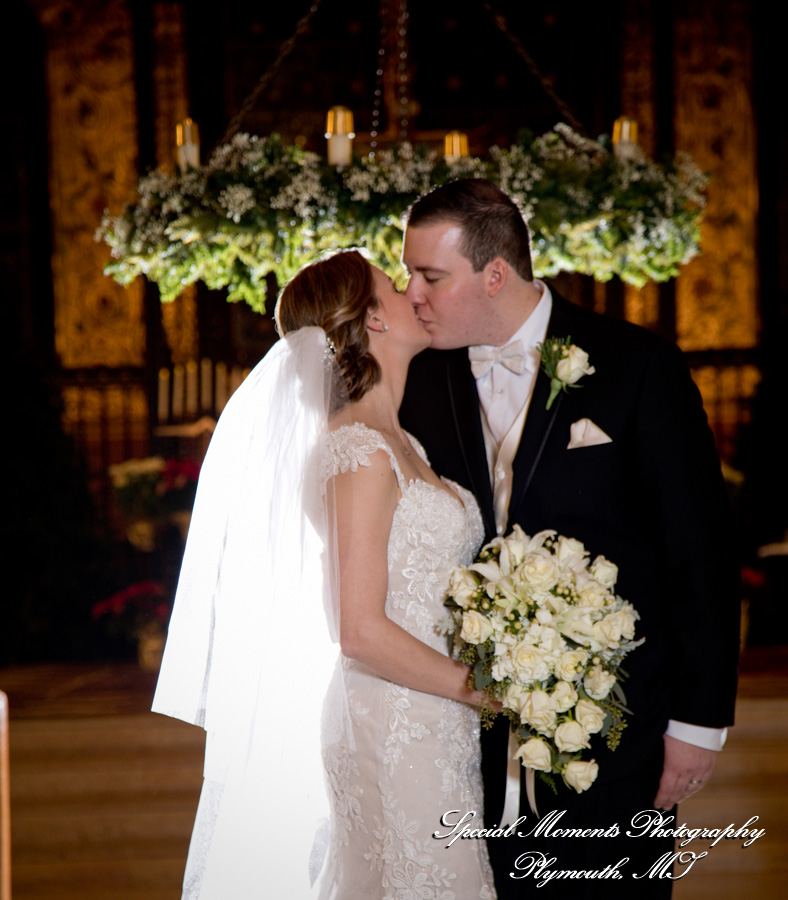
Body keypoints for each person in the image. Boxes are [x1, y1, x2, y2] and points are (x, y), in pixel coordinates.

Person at [398, 179, 740, 899]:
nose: (413, 295)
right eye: (408, 276)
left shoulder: (637, 366)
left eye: (430, 276)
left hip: (615, 735)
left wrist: (698, 721)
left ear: (495, 273)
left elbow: (699, 551)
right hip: (466, 744)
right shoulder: (416, 381)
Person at [152, 249, 496, 899]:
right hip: (394, 720)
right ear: (373, 322)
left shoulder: (403, 443)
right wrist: (480, 689)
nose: (413, 293)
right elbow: (357, 629)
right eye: (397, 287)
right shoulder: (359, 452)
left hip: (432, 714)